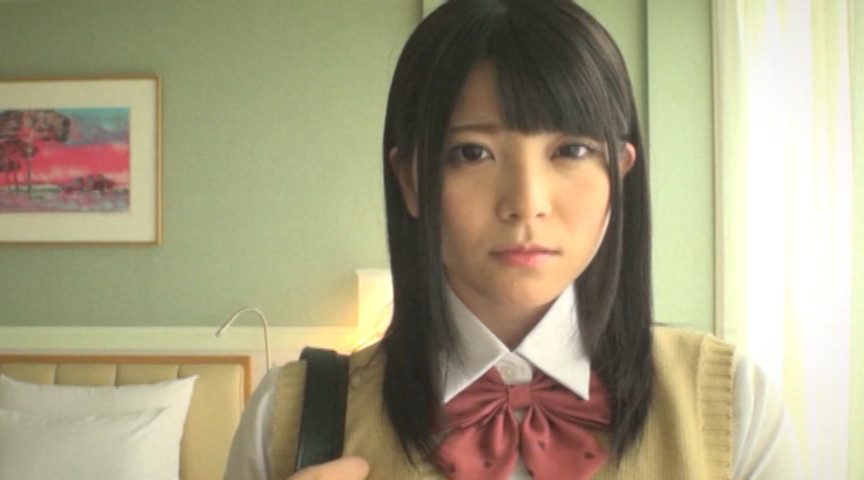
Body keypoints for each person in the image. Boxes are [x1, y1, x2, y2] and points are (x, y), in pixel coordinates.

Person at [223, 0, 802, 478]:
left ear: (619, 178)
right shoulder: (290, 416)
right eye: (473, 153)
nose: (526, 202)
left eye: (570, 150)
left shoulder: (734, 405)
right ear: (412, 181)